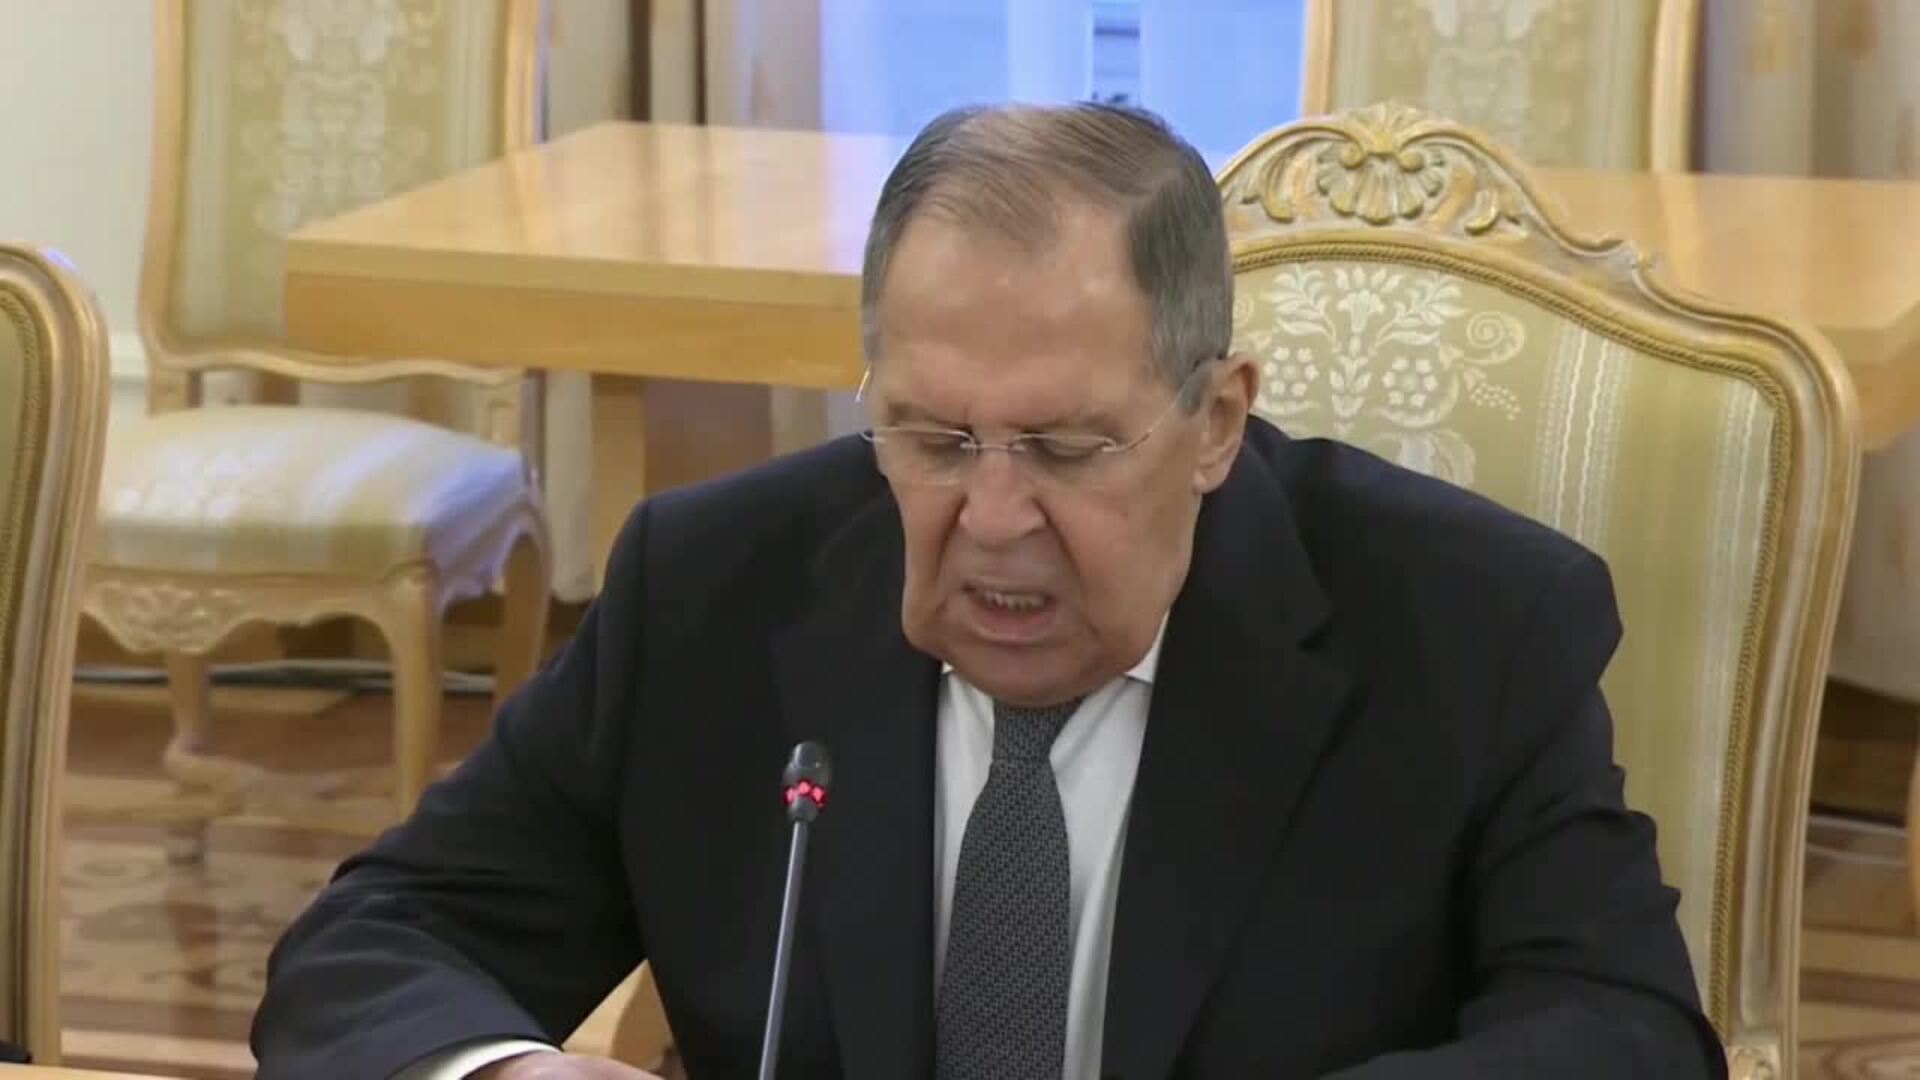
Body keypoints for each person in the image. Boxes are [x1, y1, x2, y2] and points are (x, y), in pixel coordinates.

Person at [250, 102, 1726, 1080]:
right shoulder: (709, 591)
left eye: (1068, 450)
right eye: (935, 440)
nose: (995, 519)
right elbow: (376, 945)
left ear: (1216, 420)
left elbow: (1623, 1032)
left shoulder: (1469, 624)